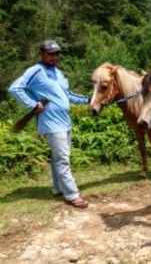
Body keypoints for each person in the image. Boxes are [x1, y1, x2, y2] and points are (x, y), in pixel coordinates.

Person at [9, 40, 90, 208]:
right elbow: (15, 88)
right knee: (62, 159)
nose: (55, 56)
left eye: (57, 53)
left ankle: (57, 188)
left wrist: (89, 100)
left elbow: (68, 95)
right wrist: (33, 104)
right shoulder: (36, 70)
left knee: (58, 158)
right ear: (42, 53)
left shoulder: (58, 72)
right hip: (52, 124)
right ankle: (72, 195)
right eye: (51, 53)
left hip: (65, 122)